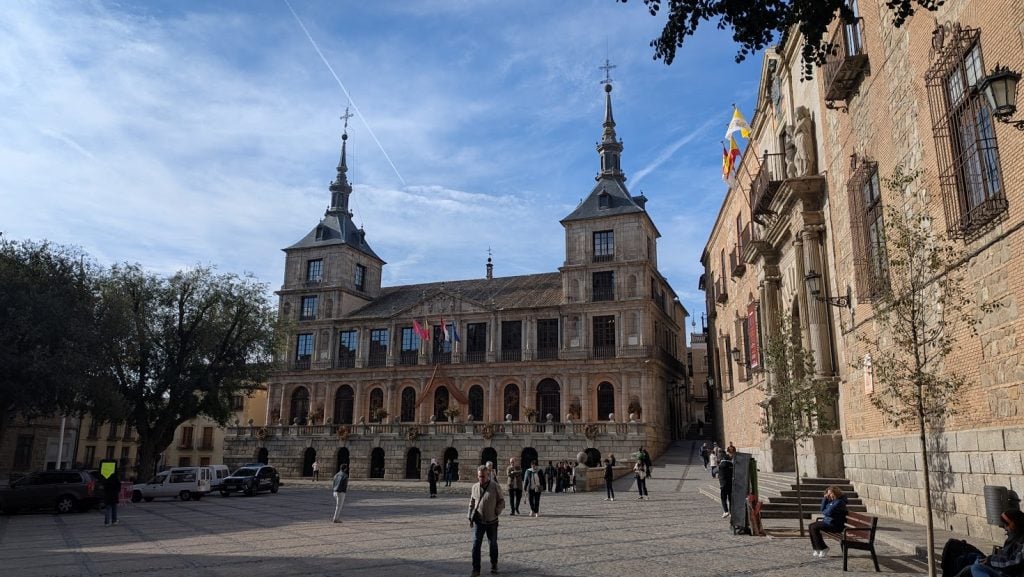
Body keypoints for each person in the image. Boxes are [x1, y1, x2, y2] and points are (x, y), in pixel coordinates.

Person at [950, 509, 1024, 577]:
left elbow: (1014, 563)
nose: (1004, 528)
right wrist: (988, 560)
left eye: (1006, 525)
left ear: (1014, 525)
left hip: (1006, 574)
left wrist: (990, 560)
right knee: (967, 555)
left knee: (976, 568)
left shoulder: (1021, 542)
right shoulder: (1012, 539)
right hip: (999, 569)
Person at [468, 465, 505, 577]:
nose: (481, 479)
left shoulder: (495, 486)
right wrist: (469, 516)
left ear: (487, 475)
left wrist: (496, 512)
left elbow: (502, 502)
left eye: (483, 476)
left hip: (492, 521)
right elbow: (472, 502)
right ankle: (476, 569)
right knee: (475, 545)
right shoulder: (474, 487)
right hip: (479, 521)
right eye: (479, 476)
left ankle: (494, 564)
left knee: (492, 544)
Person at [809, 485, 848, 558]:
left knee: (814, 527)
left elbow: (827, 512)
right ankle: (817, 548)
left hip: (835, 525)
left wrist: (826, 510)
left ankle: (823, 548)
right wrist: (825, 498)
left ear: (835, 493)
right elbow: (823, 510)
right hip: (829, 522)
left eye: (830, 494)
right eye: (828, 494)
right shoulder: (833, 501)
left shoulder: (839, 502)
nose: (829, 495)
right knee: (811, 526)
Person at [718, 451, 734, 519]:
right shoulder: (731, 465)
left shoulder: (721, 465)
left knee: (723, 498)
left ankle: (726, 511)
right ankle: (731, 512)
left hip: (723, 484)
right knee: (730, 499)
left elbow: (715, 471)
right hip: (730, 484)